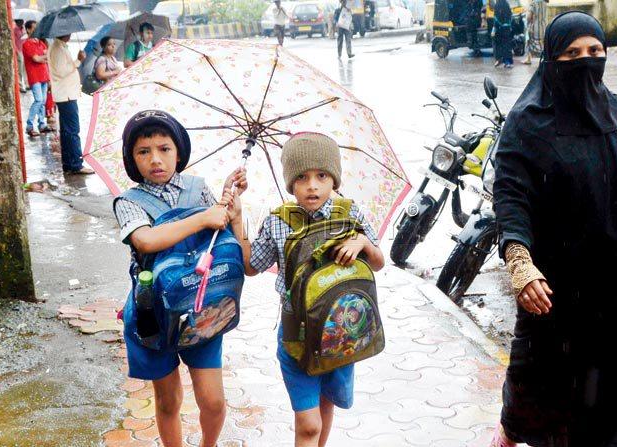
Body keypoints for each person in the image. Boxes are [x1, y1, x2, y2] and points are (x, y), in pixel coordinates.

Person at [490, 11, 617, 447]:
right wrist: (520, 262)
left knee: (614, 405)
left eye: (594, 52)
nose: (585, 61)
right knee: (545, 409)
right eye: (572, 53)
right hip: (556, 300)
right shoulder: (527, 124)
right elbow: (511, 198)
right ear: (551, 59)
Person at [226, 132, 385, 447]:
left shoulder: (350, 215)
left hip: (341, 333)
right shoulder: (277, 221)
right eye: (302, 177)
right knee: (309, 424)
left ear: (333, 180)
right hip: (295, 337)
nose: (312, 185)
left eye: (321, 176)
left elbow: (378, 263)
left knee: (326, 406)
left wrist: (363, 241)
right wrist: (238, 217)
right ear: (290, 183)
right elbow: (250, 265)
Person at [114, 110, 243, 447]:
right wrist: (203, 218)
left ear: (178, 151)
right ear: (132, 159)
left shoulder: (199, 189)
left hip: (202, 306)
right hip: (152, 313)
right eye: (144, 152)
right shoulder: (128, 202)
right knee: (168, 400)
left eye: (164, 148)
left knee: (213, 401)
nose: (155, 159)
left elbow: (221, 235)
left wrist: (230, 206)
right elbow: (146, 240)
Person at [48, 34, 94, 175]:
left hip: (66, 94)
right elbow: (62, 71)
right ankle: (75, 164)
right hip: (66, 95)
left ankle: (69, 163)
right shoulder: (57, 49)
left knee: (67, 131)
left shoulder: (60, 47)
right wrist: (78, 61)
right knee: (73, 130)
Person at [22, 20, 52, 137]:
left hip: (44, 75)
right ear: (28, 29)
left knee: (43, 101)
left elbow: (46, 55)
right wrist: (45, 57)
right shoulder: (27, 44)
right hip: (34, 76)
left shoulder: (40, 42)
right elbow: (36, 59)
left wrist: (44, 57)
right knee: (39, 100)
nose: (36, 30)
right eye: (34, 28)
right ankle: (29, 125)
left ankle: (42, 124)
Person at [522, 0, 548, 65]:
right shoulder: (544, 3)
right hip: (543, 26)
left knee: (529, 42)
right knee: (542, 42)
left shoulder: (533, 4)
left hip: (534, 27)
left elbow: (529, 16)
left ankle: (528, 59)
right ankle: (546, 58)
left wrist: (527, 21)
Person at [493, 0, 513, 68]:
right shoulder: (505, 3)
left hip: (501, 28)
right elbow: (510, 15)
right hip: (505, 28)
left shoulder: (498, 4)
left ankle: (502, 61)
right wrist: (508, 24)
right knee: (506, 45)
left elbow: (495, 17)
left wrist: (497, 26)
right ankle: (504, 61)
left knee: (500, 44)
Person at [13, 19, 27, 92]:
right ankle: (20, 85)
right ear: (17, 22)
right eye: (21, 21)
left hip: (24, 49)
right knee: (20, 69)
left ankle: (26, 84)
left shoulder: (23, 29)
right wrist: (16, 50)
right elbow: (13, 40)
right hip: (19, 50)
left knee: (25, 68)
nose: (22, 22)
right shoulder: (15, 30)